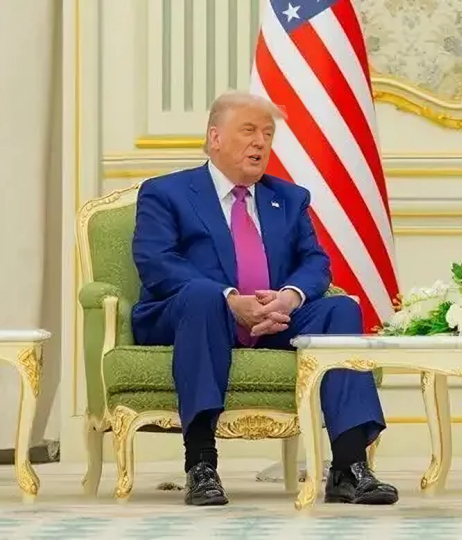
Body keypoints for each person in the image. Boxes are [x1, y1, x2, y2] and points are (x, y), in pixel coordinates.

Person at [131, 91, 397, 507]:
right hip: (195, 317)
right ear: (215, 137)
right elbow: (156, 262)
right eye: (249, 130)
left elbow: (315, 262)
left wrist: (288, 298)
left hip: (275, 320)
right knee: (202, 295)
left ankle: (348, 467)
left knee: (342, 309)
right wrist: (230, 299)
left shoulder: (289, 198)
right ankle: (201, 465)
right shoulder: (167, 192)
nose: (260, 142)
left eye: (268, 134)